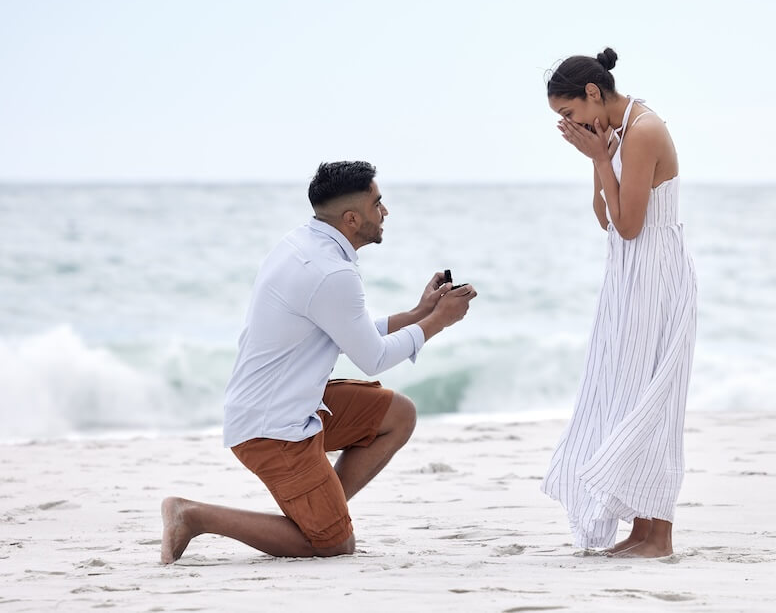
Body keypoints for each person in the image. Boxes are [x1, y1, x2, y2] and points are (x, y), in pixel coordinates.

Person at [160, 161, 477, 563]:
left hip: (290, 404)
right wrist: (439, 322)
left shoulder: (303, 244)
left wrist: (419, 312)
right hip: (271, 428)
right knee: (331, 545)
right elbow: (372, 358)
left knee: (397, 414)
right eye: (378, 203)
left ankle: (319, 508)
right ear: (351, 218)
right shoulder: (330, 272)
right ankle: (193, 516)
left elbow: (349, 332)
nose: (385, 212)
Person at [540, 48, 697, 558]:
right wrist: (599, 158)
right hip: (629, 275)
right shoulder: (617, 133)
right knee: (624, 393)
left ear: (592, 93)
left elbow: (630, 226)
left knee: (654, 401)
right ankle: (642, 531)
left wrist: (603, 158)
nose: (568, 124)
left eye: (568, 113)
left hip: (657, 272)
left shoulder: (645, 130)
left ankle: (660, 535)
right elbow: (604, 217)